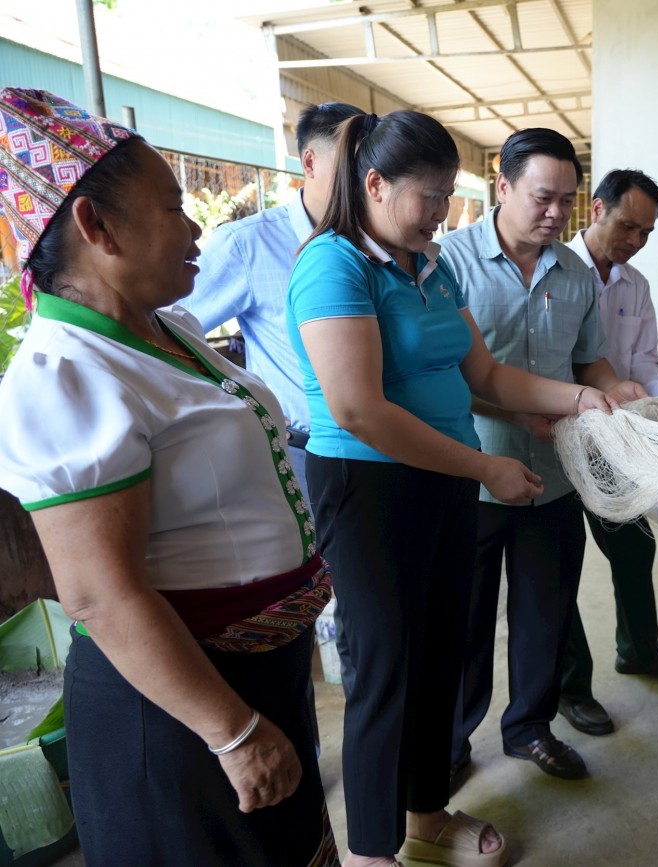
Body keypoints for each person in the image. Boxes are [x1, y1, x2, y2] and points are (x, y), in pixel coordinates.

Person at [0, 88, 337, 866]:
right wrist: (235, 732)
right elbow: (100, 594)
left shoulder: (166, 329)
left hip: (252, 674)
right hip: (180, 705)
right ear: (95, 224)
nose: (196, 229)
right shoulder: (65, 375)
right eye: (175, 207)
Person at [286, 110, 616, 867]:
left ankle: (426, 816)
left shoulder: (432, 266)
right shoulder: (333, 264)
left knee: (439, 653)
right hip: (369, 486)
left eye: (446, 195)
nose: (441, 212)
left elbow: (487, 375)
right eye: (428, 195)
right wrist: (483, 467)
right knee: (384, 667)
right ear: (374, 183)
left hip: (441, 480)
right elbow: (359, 410)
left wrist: (580, 397)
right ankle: (372, 851)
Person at [439, 128, 647, 781]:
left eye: (567, 201)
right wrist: (516, 414)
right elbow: (443, 374)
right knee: (463, 620)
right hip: (470, 474)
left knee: (545, 612)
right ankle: (450, 742)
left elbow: (589, 362)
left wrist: (617, 387)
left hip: (555, 476)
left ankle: (530, 726)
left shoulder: (576, 274)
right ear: (501, 185)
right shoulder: (447, 264)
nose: (557, 213)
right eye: (542, 197)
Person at [186, 101, 363, 502]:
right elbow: (168, 328)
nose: (366, 179)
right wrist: (235, 401)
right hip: (300, 454)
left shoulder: (377, 241)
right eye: (352, 164)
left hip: (384, 448)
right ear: (310, 162)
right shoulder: (248, 244)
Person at [561, 168, 658, 706]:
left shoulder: (637, 285)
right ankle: (571, 687)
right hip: (557, 434)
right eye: (628, 226)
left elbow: (644, 361)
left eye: (646, 233)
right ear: (596, 209)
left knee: (634, 544)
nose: (636, 240)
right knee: (558, 562)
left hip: (617, 438)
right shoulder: (556, 270)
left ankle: (639, 649)